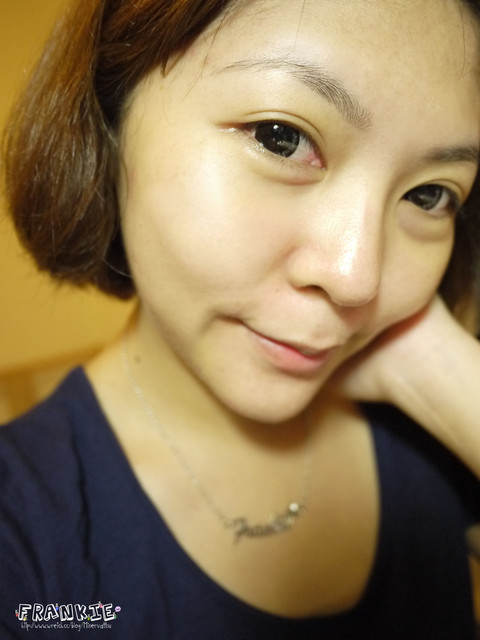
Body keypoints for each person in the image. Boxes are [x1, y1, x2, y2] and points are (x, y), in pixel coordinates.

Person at [1, 0, 480, 637]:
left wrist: (449, 378)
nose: (356, 279)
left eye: (429, 194)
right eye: (282, 137)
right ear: (114, 117)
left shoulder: (432, 430)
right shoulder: (23, 544)